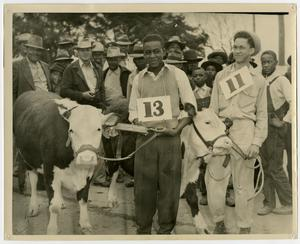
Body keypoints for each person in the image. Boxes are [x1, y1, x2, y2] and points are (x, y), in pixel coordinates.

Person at [129, 34, 197, 234]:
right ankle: (143, 230)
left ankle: (165, 231)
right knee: (143, 189)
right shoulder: (138, 78)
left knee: (169, 188)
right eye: (147, 52)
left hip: (170, 138)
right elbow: (133, 110)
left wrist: (176, 128)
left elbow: (190, 108)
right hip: (145, 139)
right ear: (143, 54)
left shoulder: (177, 74)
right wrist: (138, 121)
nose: (152, 56)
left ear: (163, 52)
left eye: (156, 51)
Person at [208, 31, 267, 234]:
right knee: (216, 181)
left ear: (252, 51)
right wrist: (213, 136)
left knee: (243, 186)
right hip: (221, 131)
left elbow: (262, 116)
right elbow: (213, 109)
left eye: (242, 47)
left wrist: (256, 143)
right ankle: (218, 222)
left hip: (245, 132)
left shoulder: (259, 80)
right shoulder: (220, 75)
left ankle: (244, 227)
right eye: (235, 46)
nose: (237, 50)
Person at [13, 34, 52, 193]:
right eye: (33, 50)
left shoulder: (45, 66)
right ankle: (24, 184)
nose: (36, 53)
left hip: (47, 109)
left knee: (45, 144)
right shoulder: (17, 66)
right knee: (25, 145)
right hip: (27, 109)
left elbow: (50, 88)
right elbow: (11, 92)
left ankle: (43, 184)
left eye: (38, 51)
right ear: (26, 49)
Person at [257, 50, 292, 215]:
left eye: (269, 62)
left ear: (276, 62)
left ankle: (289, 202)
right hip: (262, 129)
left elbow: (295, 102)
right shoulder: (260, 81)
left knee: (276, 167)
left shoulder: (282, 80)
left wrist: (283, 121)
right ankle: (268, 203)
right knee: (264, 166)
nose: (265, 65)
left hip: (275, 130)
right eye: (263, 62)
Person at [96, 46, 131, 187]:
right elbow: (100, 93)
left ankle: (125, 171)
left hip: (124, 108)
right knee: (107, 139)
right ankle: (112, 171)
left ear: (119, 59)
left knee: (122, 139)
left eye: (115, 59)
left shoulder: (126, 73)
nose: (112, 62)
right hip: (108, 110)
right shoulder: (103, 74)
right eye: (109, 59)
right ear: (107, 59)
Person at [60, 39, 105, 109]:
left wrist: (103, 105)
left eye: (87, 50)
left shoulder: (98, 68)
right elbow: (63, 91)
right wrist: (82, 95)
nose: (85, 53)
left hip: (97, 108)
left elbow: (102, 90)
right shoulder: (71, 69)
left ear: (91, 52)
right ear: (78, 52)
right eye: (82, 50)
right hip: (79, 108)